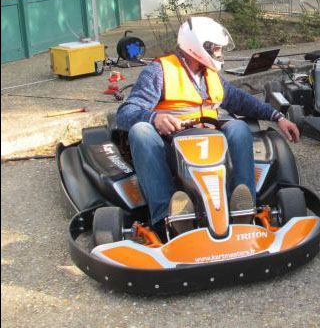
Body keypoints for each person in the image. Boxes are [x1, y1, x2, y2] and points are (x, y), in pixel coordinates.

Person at [115, 17, 300, 242]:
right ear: (197, 46)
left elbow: (240, 100)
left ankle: (242, 209)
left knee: (239, 128)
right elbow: (126, 112)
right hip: (172, 144)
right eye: (216, 48)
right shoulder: (159, 71)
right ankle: (169, 219)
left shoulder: (210, 75)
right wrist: (154, 118)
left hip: (211, 141)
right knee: (141, 132)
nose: (220, 53)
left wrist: (278, 116)